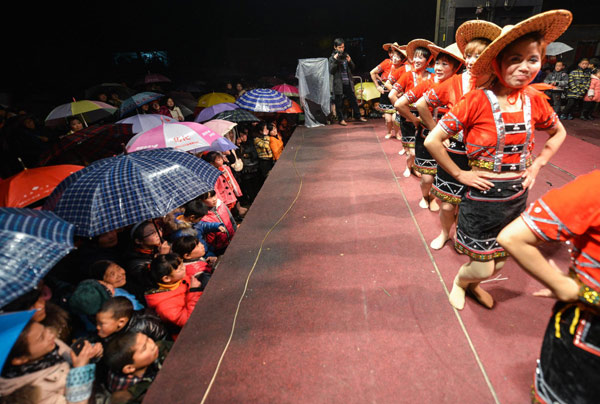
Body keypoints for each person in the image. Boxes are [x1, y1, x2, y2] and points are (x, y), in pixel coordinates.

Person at [424, 10, 571, 311]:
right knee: (481, 266)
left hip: (517, 194)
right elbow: (432, 140)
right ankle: (461, 282)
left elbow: (558, 132)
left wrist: (538, 164)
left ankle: (474, 286)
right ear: (497, 62)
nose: (525, 67)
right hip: (482, 196)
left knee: (500, 262)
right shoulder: (476, 99)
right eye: (515, 59)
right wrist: (460, 174)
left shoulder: (534, 99)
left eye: (532, 59)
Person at [496, 170, 600, 404]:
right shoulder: (595, 188)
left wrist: (537, 164)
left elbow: (556, 131)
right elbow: (512, 238)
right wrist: (566, 287)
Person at [416, 20, 501, 249]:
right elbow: (422, 104)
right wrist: (437, 131)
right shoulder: (456, 81)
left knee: (472, 206)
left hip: (485, 156)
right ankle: (445, 233)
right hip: (454, 151)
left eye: (479, 56)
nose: (473, 61)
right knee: (446, 205)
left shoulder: (501, 87)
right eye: (469, 55)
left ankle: (467, 237)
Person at [396, 43, 464, 211]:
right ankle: (425, 196)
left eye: (445, 64)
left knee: (444, 179)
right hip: (426, 137)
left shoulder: (460, 86)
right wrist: (415, 120)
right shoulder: (427, 84)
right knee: (426, 179)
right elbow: (399, 103)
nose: (439, 68)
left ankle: (435, 198)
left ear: (455, 68)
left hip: (451, 142)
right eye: (438, 63)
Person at [0, 320, 102, 404]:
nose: (51, 334)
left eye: (45, 329)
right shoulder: (32, 394)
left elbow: (71, 357)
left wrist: (88, 355)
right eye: (41, 337)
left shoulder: (50, 345)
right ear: (20, 359)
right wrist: (80, 370)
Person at [391, 39, 436, 176]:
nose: (416, 60)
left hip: (426, 118)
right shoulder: (407, 75)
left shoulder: (433, 77)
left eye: (421, 57)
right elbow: (392, 95)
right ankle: (408, 167)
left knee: (422, 148)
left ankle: (417, 168)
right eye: (415, 56)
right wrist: (409, 116)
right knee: (411, 151)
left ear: (428, 61)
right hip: (409, 117)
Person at [144, 253, 202, 338]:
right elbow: (187, 321)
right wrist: (194, 291)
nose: (184, 268)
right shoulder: (163, 305)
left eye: (182, 265)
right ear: (166, 278)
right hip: (190, 334)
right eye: (180, 269)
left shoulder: (178, 279)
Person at [103, 331, 172, 403]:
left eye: (148, 339)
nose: (152, 344)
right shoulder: (129, 395)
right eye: (144, 348)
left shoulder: (159, 348)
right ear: (130, 368)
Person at [124, 220, 171, 305]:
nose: (158, 233)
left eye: (158, 229)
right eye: (151, 233)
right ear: (138, 241)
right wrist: (161, 258)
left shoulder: (162, 245)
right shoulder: (134, 261)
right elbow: (150, 280)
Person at [370, 42, 407, 140]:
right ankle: (389, 132)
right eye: (391, 53)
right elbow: (372, 72)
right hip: (386, 95)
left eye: (395, 54)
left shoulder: (404, 67)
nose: (393, 56)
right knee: (388, 119)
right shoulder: (387, 62)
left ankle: (397, 133)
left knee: (395, 119)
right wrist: (378, 86)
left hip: (397, 96)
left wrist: (399, 94)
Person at [329, 38, 367, 126]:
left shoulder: (346, 55)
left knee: (353, 99)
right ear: (335, 47)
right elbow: (331, 71)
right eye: (339, 47)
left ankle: (358, 116)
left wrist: (350, 61)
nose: (341, 49)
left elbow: (353, 68)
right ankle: (341, 119)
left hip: (348, 82)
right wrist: (335, 60)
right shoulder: (332, 58)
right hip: (339, 83)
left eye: (343, 47)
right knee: (339, 102)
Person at [95, 297, 167, 343]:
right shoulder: (108, 331)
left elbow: (163, 345)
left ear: (121, 322)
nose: (97, 327)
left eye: (101, 323)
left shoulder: (148, 325)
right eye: (97, 322)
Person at [202, 151, 247, 219]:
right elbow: (215, 189)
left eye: (221, 158)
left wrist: (236, 191)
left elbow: (232, 180)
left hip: (230, 193)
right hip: (223, 197)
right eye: (218, 159)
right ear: (211, 163)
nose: (221, 160)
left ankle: (236, 217)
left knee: (234, 208)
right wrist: (220, 201)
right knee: (226, 212)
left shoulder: (225, 168)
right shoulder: (211, 175)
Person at [198, 190, 237, 256]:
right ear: (201, 200)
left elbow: (232, 221)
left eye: (214, 195)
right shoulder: (202, 217)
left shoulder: (221, 205)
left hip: (233, 239)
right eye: (209, 198)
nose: (214, 199)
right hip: (218, 249)